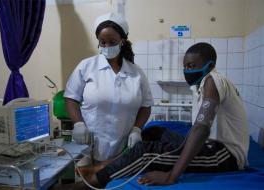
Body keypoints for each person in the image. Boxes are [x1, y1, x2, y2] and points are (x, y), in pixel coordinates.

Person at [76, 42, 249, 188]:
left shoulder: (213, 79)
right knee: (154, 131)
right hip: (209, 146)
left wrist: (171, 175)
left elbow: (201, 128)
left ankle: (93, 182)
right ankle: (111, 162)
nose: (187, 70)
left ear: (210, 66)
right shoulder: (203, 84)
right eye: (185, 66)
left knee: (145, 152)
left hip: (224, 156)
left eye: (192, 66)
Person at [64, 13, 153, 164]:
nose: (106, 46)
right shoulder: (86, 66)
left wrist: (137, 129)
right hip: (87, 143)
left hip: (123, 146)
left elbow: (146, 105)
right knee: (85, 182)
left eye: (112, 42)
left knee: (114, 184)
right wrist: (78, 123)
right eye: (102, 42)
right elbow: (71, 97)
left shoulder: (136, 72)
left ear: (122, 41)